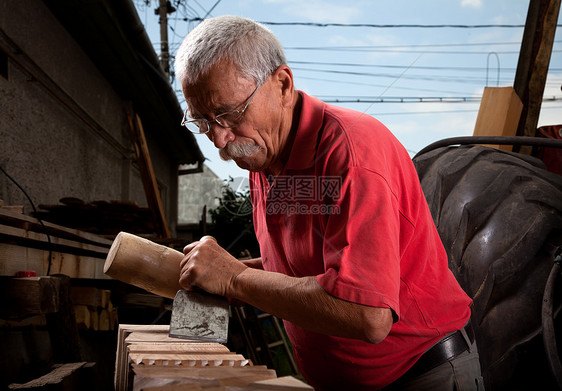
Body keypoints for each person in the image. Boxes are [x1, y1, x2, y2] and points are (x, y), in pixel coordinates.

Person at [174, 15, 483, 390]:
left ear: (283, 85)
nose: (220, 139)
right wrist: (225, 275)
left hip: (422, 376)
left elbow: (368, 316)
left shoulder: (351, 154)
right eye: (204, 121)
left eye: (230, 114)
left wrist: (236, 278)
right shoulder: (262, 153)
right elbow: (308, 266)